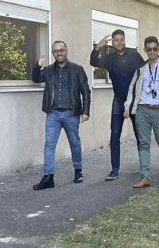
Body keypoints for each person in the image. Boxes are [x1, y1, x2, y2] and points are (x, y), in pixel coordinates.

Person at [32, 40, 91, 190]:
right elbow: (36, 79)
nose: (59, 53)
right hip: (53, 114)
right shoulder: (49, 70)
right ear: (53, 53)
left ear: (66, 51)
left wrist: (85, 112)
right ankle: (48, 177)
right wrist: (38, 66)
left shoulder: (77, 69)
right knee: (49, 145)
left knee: (75, 144)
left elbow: (86, 91)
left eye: (61, 50)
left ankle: (78, 171)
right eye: (56, 51)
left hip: (71, 113)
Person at [124, 36, 159, 188]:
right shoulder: (141, 68)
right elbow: (132, 88)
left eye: (155, 49)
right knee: (143, 143)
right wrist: (127, 107)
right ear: (145, 50)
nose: (152, 52)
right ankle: (145, 176)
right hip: (142, 110)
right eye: (149, 49)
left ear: (158, 49)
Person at [90, 29, 145, 180]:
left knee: (139, 134)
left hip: (135, 101)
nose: (119, 42)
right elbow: (93, 62)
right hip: (119, 100)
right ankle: (115, 169)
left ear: (125, 40)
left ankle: (144, 167)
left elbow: (145, 72)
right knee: (114, 134)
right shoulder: (109, 58)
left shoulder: (134, 55)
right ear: (112, 42)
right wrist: (97, 48)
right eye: (116, 40)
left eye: (121, 39)